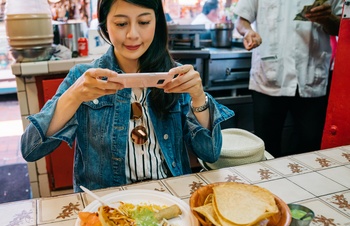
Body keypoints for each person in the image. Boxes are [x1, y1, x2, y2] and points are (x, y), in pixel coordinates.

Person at [21, 0, 234, 192]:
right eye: (121, 24)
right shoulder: (84, 79)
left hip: (169, 198)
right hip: (107, 204)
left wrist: (198, 97)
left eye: (143, 22)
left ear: (156, 23)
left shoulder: (175, 76)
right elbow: (30, 149)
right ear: (104, 25)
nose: (133, 34)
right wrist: (73, 96)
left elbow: (210, 153)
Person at [233, 0, 343, 157]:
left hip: (312, 79)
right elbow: (242, 20)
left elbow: (343, 26)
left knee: (310, 148)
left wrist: (327, 18)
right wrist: (248, 32)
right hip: (268, 78)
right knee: (265, 149)